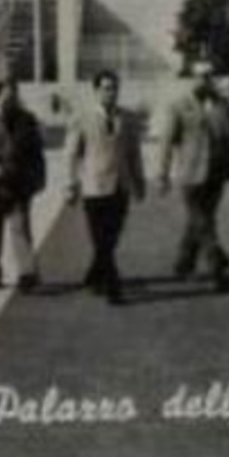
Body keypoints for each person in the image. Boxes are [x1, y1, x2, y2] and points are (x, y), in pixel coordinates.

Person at [153, 63, 229, 291]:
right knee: (204, 223)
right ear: (191, 79)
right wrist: (162, 174)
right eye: (199, 76)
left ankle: (183, 263)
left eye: (208, 76)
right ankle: (217, 269)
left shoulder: (224, 105)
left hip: (217, 174)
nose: (204, 80)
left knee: (201, 220)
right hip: (190, 175)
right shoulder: (179, 106)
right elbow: (166, 142)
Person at [64, 70, 146, 304]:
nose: (111, 93)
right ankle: (113, 286)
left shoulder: (128, 118)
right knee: (101, 238)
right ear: (96, 90)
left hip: (120, 186)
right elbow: (71, 153)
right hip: (94, 187)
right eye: (106, 88)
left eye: (114, 88)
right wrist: (70, 183)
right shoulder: (82, 117)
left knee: (111, 238)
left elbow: (134, 153)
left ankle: (94, 274)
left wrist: (139, 182)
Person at [0, 79, 47, 291]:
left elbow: (36, 151)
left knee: (21, 228)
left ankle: (27, 272)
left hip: (18, 184)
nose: (9, 102)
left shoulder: (27, 119)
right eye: (6, 97)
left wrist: (40, 178)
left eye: (13, 97)